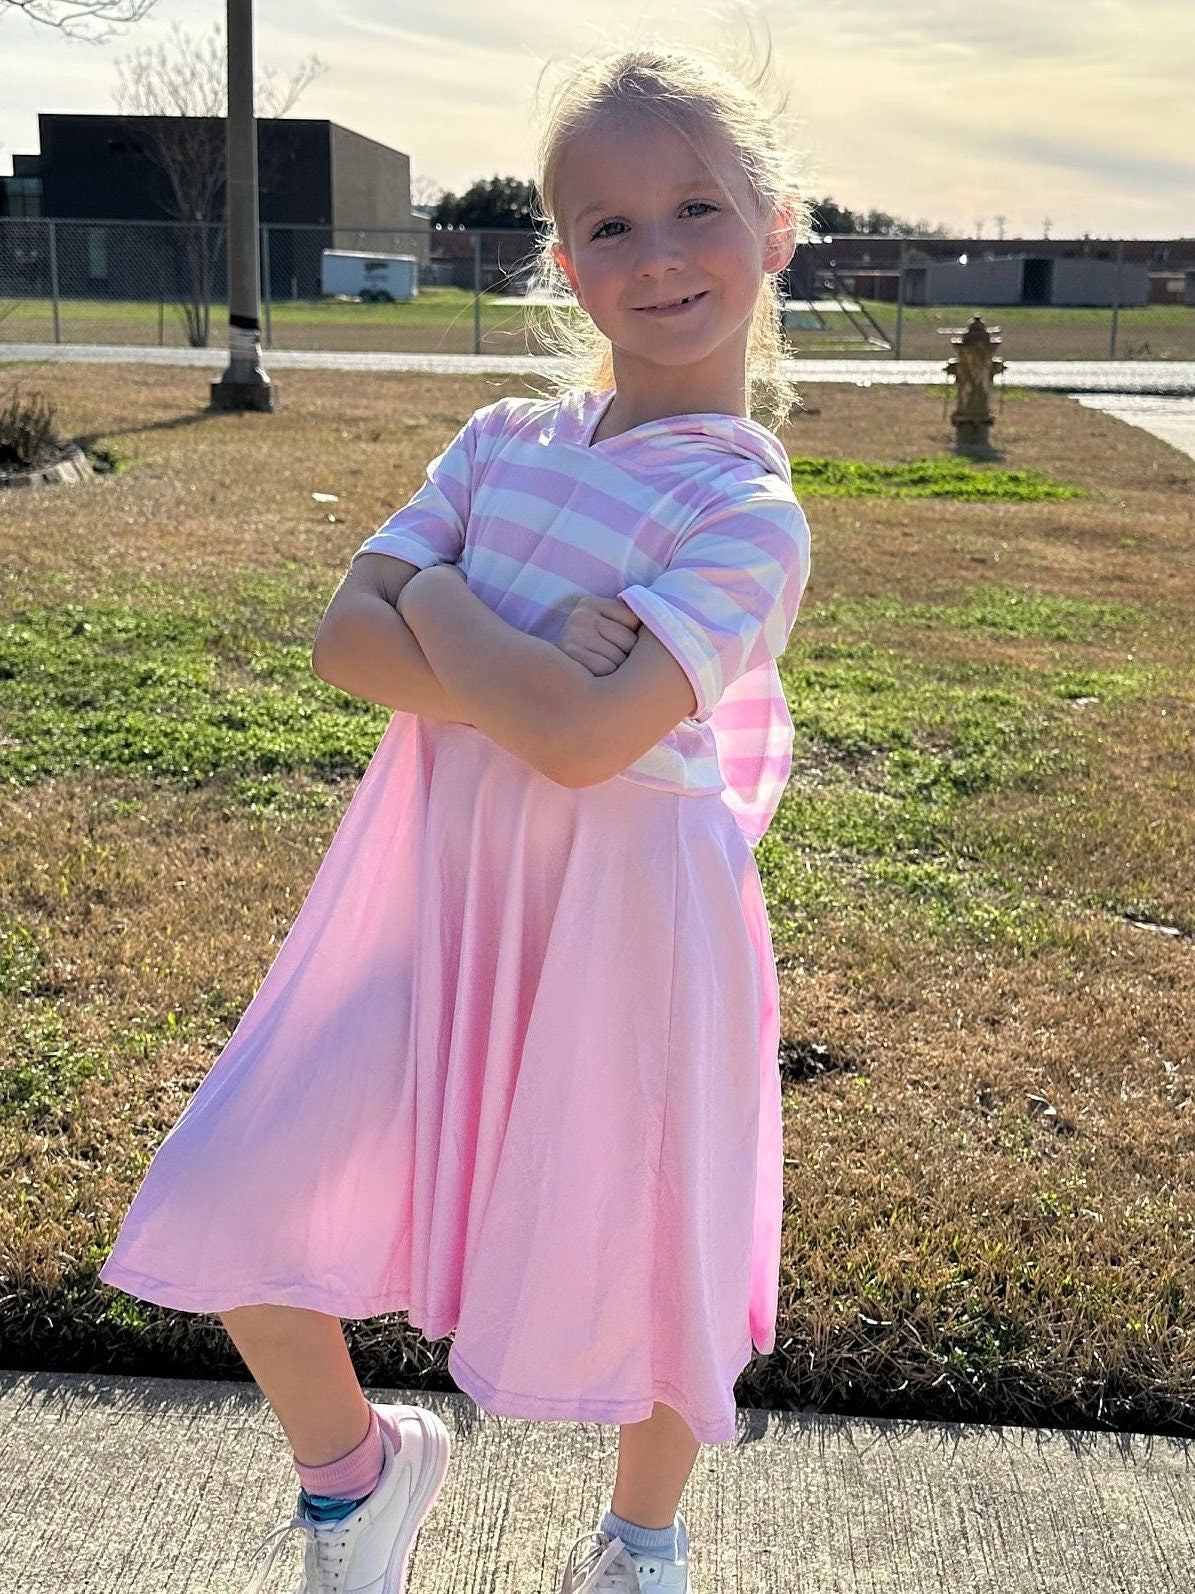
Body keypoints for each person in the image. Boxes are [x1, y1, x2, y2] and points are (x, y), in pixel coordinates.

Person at [98, 40, 812, 1594]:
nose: (658, 253)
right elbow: (341, 642)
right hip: (445, 900)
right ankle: (358, 1471)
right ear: (564, 259)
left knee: (646, 1241)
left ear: (779, 228)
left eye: (698, 207)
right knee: (233, 1183)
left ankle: (639, 1544)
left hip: (631, 927)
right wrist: (477, 627)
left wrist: (441, 602)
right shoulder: (502, 443)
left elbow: (576, 739)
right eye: (608, 226)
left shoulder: (745, 515)